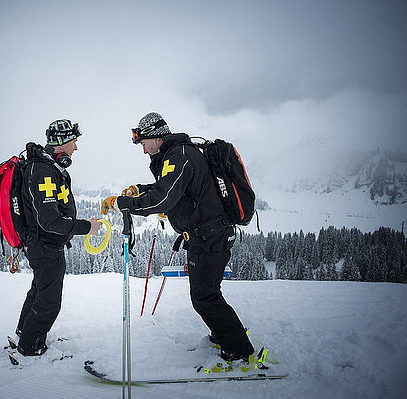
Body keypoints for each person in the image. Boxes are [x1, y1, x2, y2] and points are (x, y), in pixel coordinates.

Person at [101, 112, 255, 362]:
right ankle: (223, 336)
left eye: (143, 144)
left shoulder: (178, 156)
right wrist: (139, 190)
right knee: (207, 294)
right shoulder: (179, 154)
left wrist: (123, 203)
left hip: (210, 237)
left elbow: (163, 198)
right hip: (205, 236)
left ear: (156, 138)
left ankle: (239, 351)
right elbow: (168, 188)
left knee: (205, 297)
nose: (143, 151)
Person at [15, 119, 102, 357]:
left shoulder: (48, 167)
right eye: (74, 141)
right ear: (62, 142)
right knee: (49, 301)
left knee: (39, 291)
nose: (76, 147)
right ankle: (30, 347)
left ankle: (25, 333)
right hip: (45, 246)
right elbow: (49, 221)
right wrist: (87, 227)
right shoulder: (42, 170)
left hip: (43, 244)